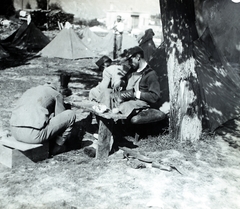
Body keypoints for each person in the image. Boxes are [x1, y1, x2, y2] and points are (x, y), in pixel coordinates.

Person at [10, 82, 76, 155]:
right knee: (70, 114)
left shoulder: (30, 90)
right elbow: (61, 117)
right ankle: (57, 148)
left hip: (15, 132)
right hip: (33, 136)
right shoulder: (56, 94)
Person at [112, 46, 162, 117]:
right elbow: (125, 79)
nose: (129, 63)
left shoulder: (150, 74)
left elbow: (155, 97)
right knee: (111, 96)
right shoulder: (133, 70)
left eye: (130, 60)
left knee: (124, 106)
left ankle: (121, 126)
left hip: (142, 103)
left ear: (138, 57)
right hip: (129, 98)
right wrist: (121, 83)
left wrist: (136, 94)